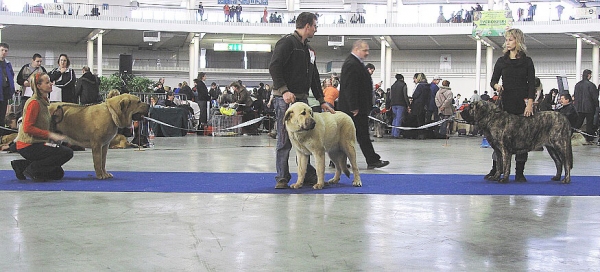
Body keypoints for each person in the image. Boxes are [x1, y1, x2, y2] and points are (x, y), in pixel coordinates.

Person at [268, 11, 334, 189]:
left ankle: (307, 175)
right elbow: (274, 67)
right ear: (307, 26)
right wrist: (284, 90)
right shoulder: (286, 43)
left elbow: (314, 76)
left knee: (305, 140)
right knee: (285, 139)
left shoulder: (309, 50)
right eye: (315, 26)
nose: (316, 29)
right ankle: (282, 177)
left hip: (303, 100)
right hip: (285, 99)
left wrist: (321, 100)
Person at [489, 28, 536, 182]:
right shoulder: (501, 61)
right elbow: (493, 81)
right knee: (499, 139)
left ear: (518, 41)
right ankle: (496, 169)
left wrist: (530, 105)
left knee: (522, 138)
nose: (507, 42)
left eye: (510, 39)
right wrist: (497, 87)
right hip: (505, 105)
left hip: (522, 105)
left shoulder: (527, 61)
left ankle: (519, 172)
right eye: (506, 40)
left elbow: (531, 86)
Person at [11, 73, 73, 181]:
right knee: (67, 152)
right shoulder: (34, 103)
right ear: (39, 86)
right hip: (28, 145)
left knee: (57, 173)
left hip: (37, 143)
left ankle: (21, 165)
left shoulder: (43, 102)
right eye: (47, 82)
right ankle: (32, 169)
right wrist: (50, 135)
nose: (51, 84)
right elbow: (27, 128)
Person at [338, 40, 389, 169]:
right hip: (354, 109)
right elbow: (350, 87)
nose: (367, 53)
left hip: (358, 108)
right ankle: (371, 160)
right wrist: (353, 106)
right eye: (364, 50)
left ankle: (371, 159)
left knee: (360, 134)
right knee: (352, 135)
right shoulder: (351, 64)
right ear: (356, 49)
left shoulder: (357, 63)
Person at [573, 69, 599, 144]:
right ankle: (589, 138)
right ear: (588, 75)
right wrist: (597, 106)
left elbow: (575, 96)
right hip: (589, 108)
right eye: (590, 75)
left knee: (578, 123)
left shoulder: (577, 85)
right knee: (589, 123)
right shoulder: (591, 85)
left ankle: (572, 134)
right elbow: (594, 97)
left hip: (578, 107)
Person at [16, 53, 47, 118]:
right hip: (26, 94)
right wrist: (23, 82)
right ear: (32, 60)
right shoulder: (25, 68)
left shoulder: (42, 69)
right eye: (37, 61)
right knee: (25, 110)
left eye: (40, 61)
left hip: (38, 95)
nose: (39, 63)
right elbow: (18, 79)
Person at [0, 43, 16, 128]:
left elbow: (11, 76)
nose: (3, 52)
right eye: (2, 50)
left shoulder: (8, 64)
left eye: (5, 51)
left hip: (5, 92)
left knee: (2, 114)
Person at [388, 73, 409, 138]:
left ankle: (393, 133)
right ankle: (396, 134)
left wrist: (391, 103)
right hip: (401, 104)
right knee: (399, 119)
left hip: (393, 104)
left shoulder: (393, 85)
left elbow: (390, 96)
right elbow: (405, 95)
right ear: (402, 78)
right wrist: (408, 104)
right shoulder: (404, 85)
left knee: (394, 119)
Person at [410, 72, 429, 137]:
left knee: (417, 120)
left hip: (417, 105)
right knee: (422, 120)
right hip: (424, 105)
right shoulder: (427, 85)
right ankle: (422, 134)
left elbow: (415, 95)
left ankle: (417, 134)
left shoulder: (419, 85)